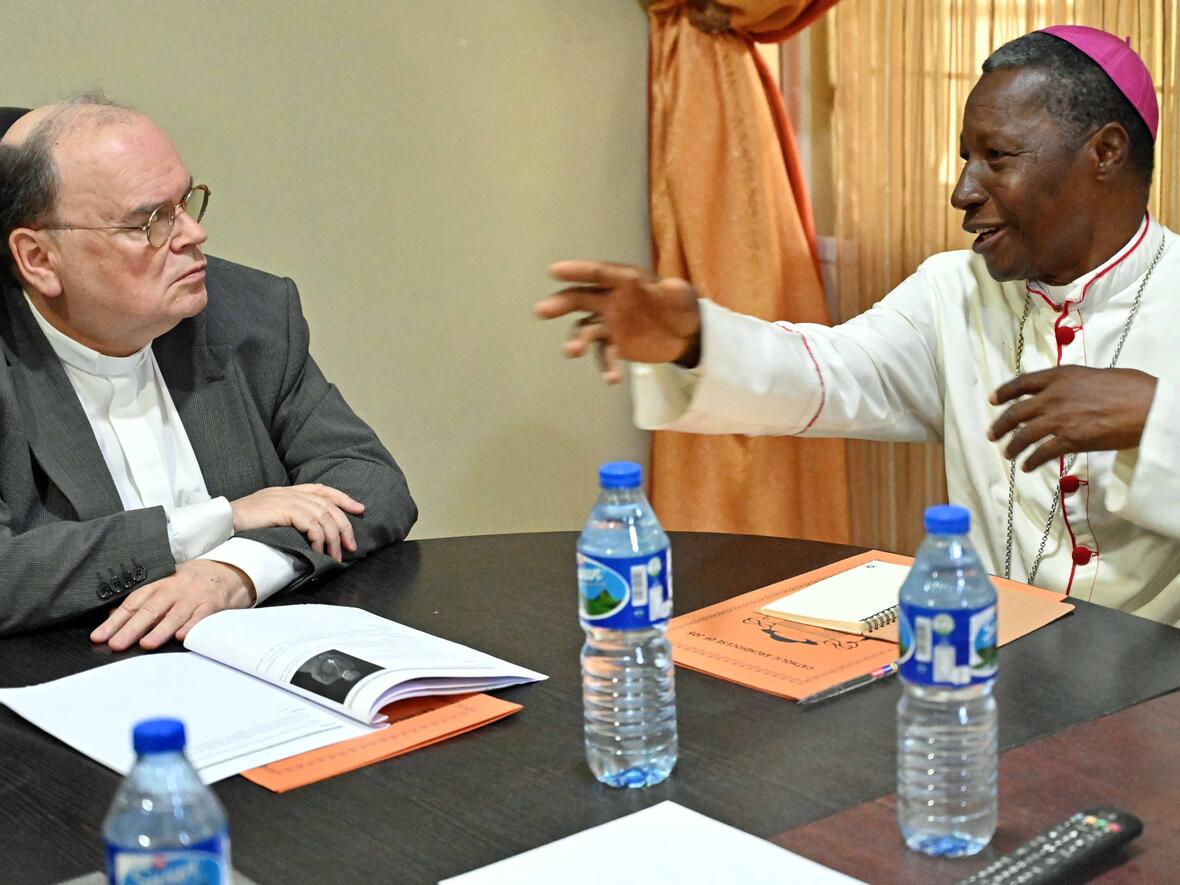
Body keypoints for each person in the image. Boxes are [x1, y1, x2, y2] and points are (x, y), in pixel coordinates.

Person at [537, 26, 1180, 626]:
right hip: (993, 657)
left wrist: (1158, 416)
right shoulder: (952, 290)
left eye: (998, 156)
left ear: (1105, 152)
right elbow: (828, 372)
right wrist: (692, 339)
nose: (962, 191)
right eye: (965, 158)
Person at [0, 97, 416, 649]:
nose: (193, 235)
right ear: (39, 259)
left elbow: (370, 482)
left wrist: (236, 571)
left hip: (257, 660)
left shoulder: (248, 310)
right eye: (151, 221)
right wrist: (218, 522)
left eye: (187, 202)